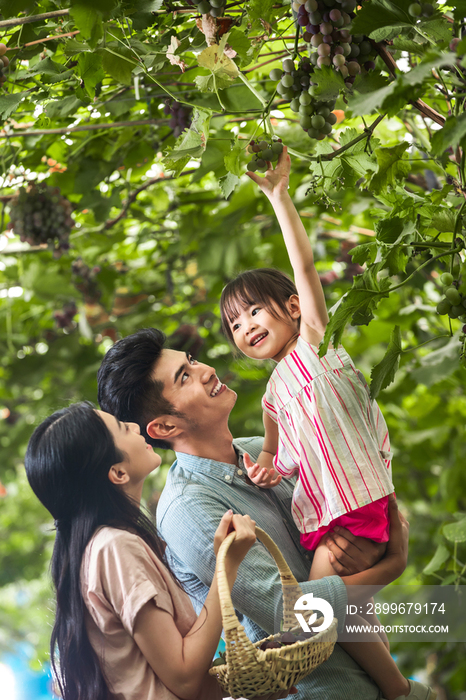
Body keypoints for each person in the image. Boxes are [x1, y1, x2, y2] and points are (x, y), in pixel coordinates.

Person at [218, 147, 436, 700]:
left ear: (293, 308)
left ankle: (397, 690)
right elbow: (274, 452)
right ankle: (401, 690)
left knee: (315, 607)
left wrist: (278, 195)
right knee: (344, 607)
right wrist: (266, 467)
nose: (245, 327)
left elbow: (306, 267)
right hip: (330, 512)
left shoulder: (315, 343)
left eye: (254, 312)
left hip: (355, 503)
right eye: (235, 325)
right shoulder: (272, 393)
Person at [97, 327, 411, 700]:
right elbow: (288, 612)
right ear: (165, 426)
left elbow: (346, 518)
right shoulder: (187, 508)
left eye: (192, 361)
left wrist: (368, 550)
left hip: (374, 676)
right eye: (185, 377)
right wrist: (390, 567)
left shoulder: (259, 451)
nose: (206, 370)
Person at [24, 401, 294, 700]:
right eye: (123, 428)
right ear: (117, 472)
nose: (136, 427)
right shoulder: (118, 544)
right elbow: (184, 677)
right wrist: (226, 566)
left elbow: (160, 675)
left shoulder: (104, 547)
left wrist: (254, 684)